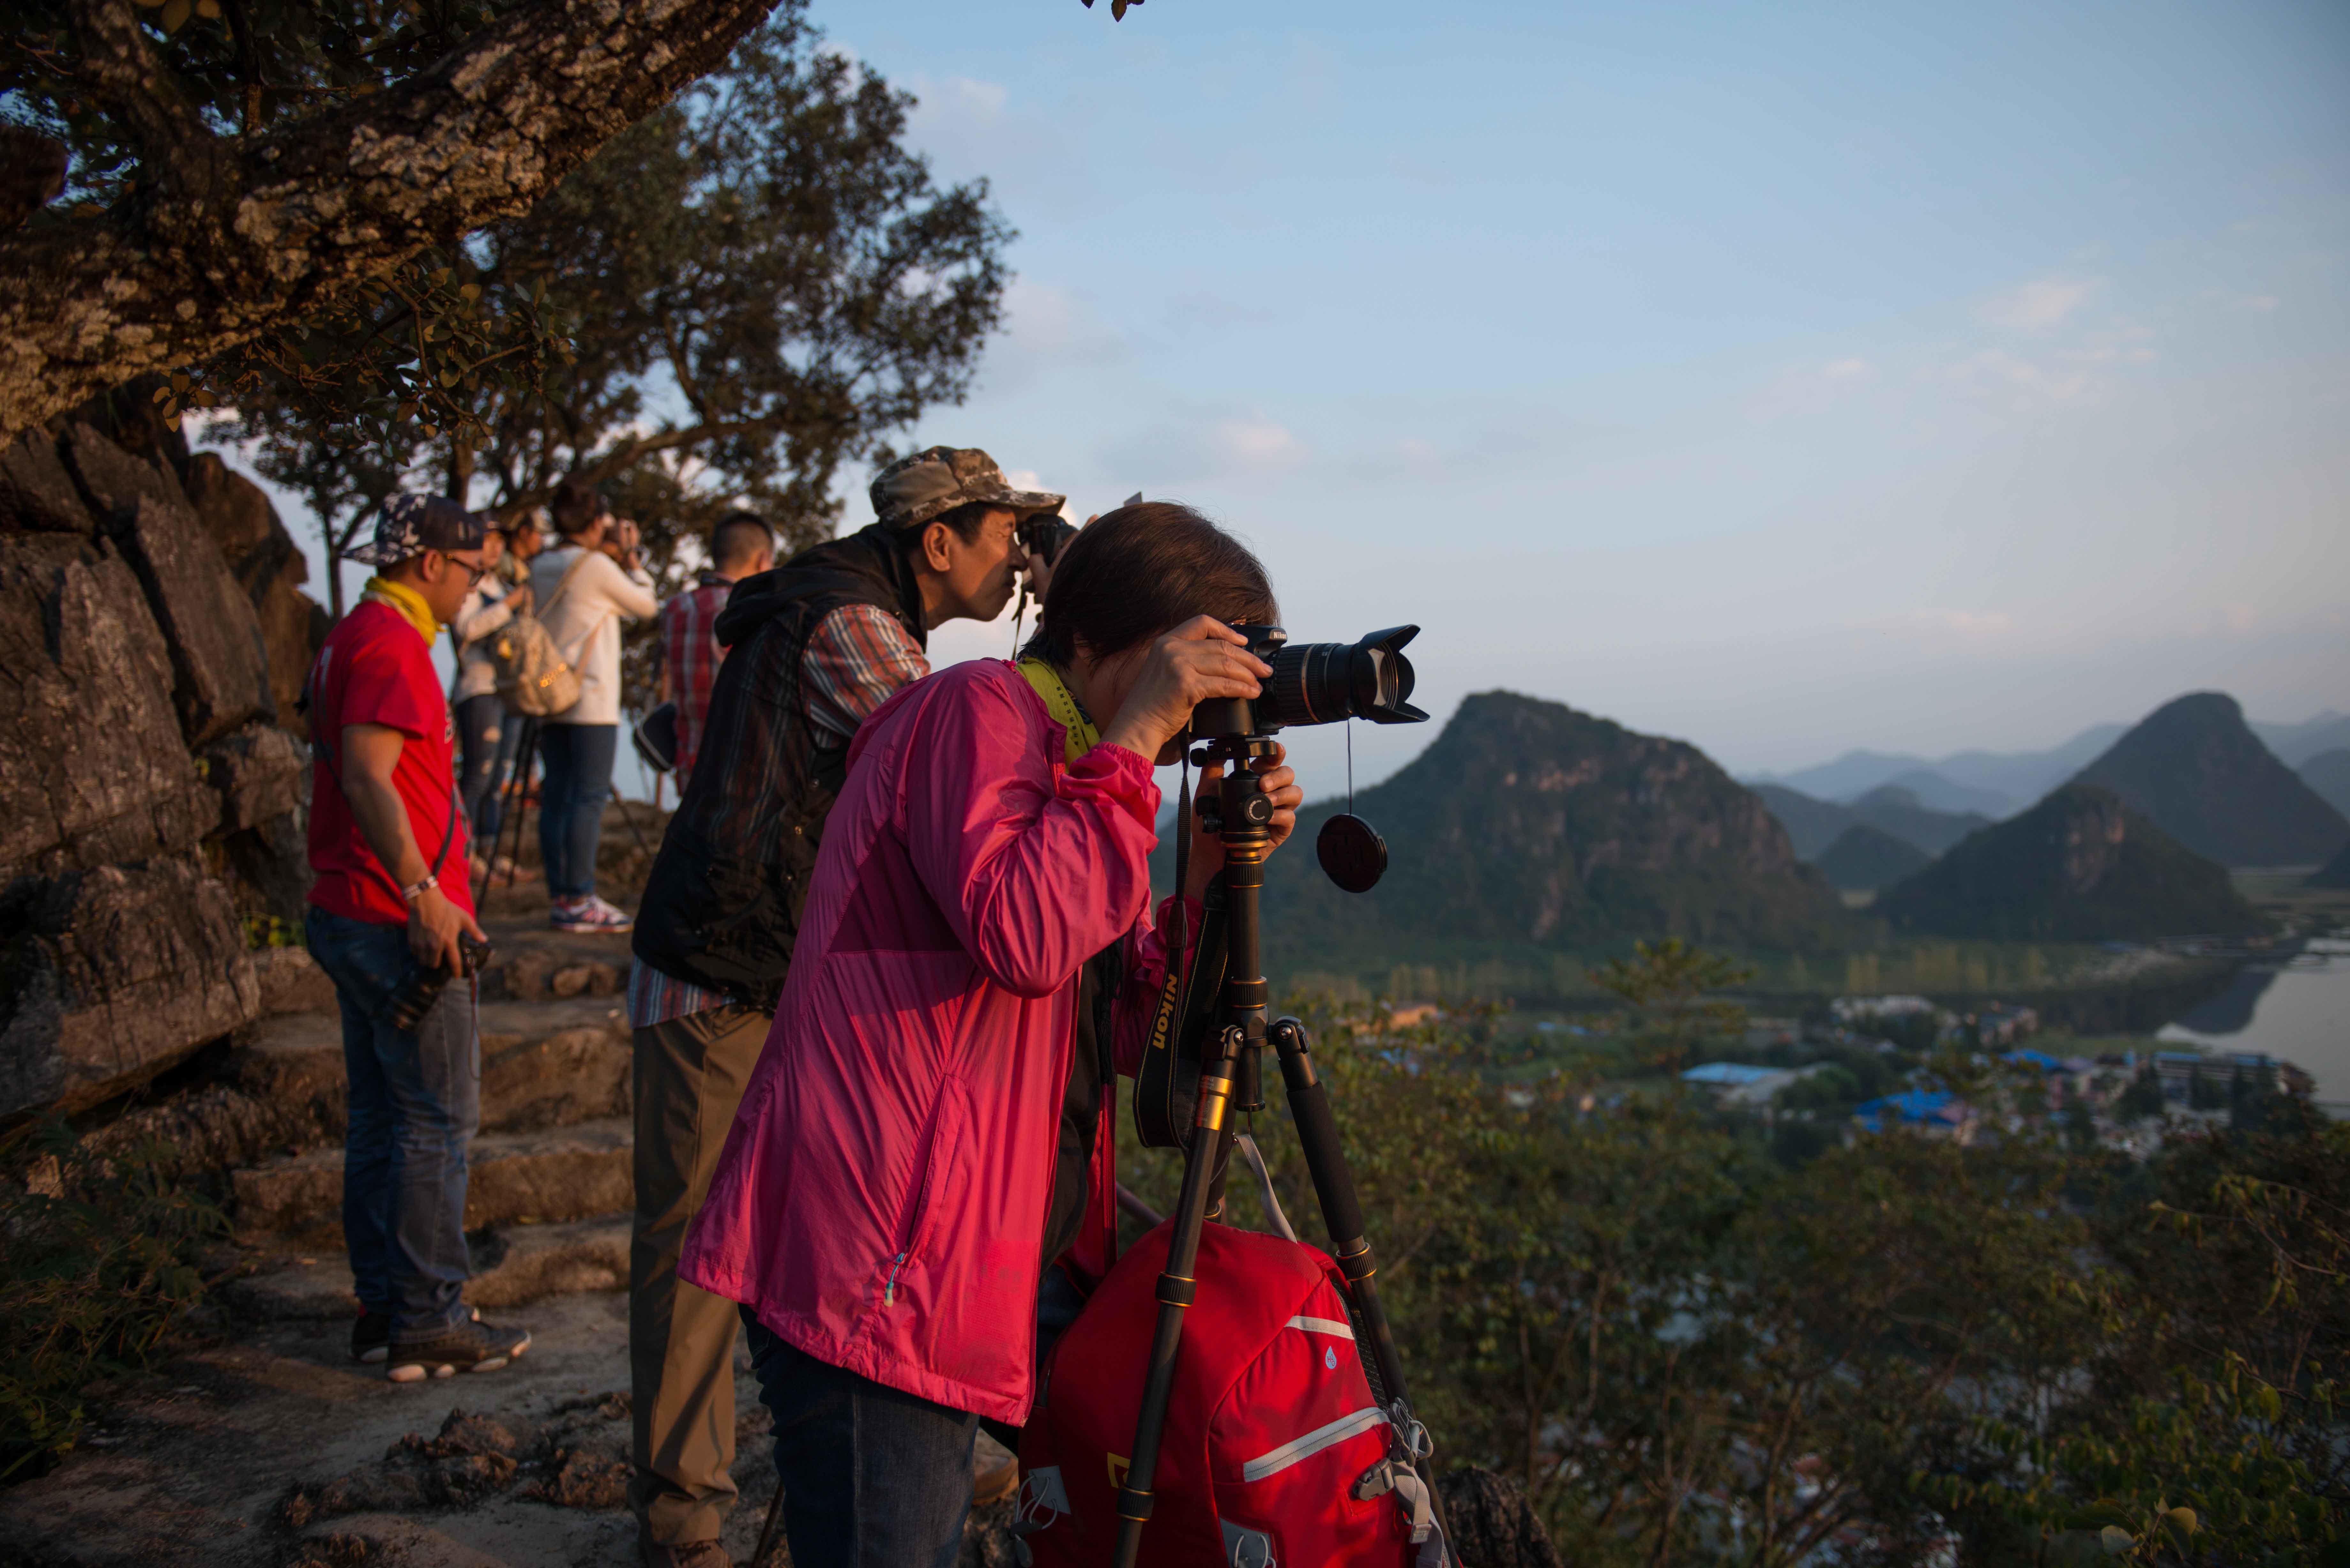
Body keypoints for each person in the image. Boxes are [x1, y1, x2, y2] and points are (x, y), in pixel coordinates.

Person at [678, 503, 1302, 1567]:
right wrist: (1136, 742)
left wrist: (1202, 874)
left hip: (977, 1257)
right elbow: (1026, 933)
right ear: (1101, 638)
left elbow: (1116, 1029)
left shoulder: (1074, 765)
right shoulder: (973, 711)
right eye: (1190, 665)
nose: (1197, 704)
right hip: (879, 1264)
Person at [621, 448, 1067, 1568]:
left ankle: (874, 1458)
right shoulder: (852, 626)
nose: (1019, 556)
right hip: (720, 974)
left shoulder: (860, 611)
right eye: (1007, 533)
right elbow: (958, 779)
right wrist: (1085, 659)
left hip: (770, 970)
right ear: (938, 542)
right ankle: (682, 1523)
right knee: (691, 1254)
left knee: (823, 1238)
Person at [302, 494, 533, 1382]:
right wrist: (424, 894)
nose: (475, 587)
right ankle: (430, 1318)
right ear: (431, 562)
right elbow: (368, 777)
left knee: (381, 1119)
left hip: (352, 907)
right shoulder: (392, 643)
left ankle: (385, 1308)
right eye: (473, 571)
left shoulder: (350, 635)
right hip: (392, 918)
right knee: (437, 1122)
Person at [530, 478, 658, 933]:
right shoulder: (596, 567)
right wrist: (632, 559)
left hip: (549, 691)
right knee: (587, 798)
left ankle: (560, 896)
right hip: (590, 699)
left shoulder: (539, 564)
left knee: (556, 795)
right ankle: (581, 898)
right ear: (596, 521)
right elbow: (646, 605)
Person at [653, 510, 775, 788]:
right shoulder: (753, 610)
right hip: (743, 770)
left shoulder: (675, 608)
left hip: (689, 766)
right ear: (763, 559)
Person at [452, 511, 543, 869]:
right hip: (479, 689)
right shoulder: (468, 586)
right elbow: (467, 629)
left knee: (500, 776)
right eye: (486, 540)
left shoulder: (502, 586)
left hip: (510, 692)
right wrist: (509, 605)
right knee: (479, 773)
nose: (494, 547)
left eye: (499, 541)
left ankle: (488, 849)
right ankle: (463, 851)